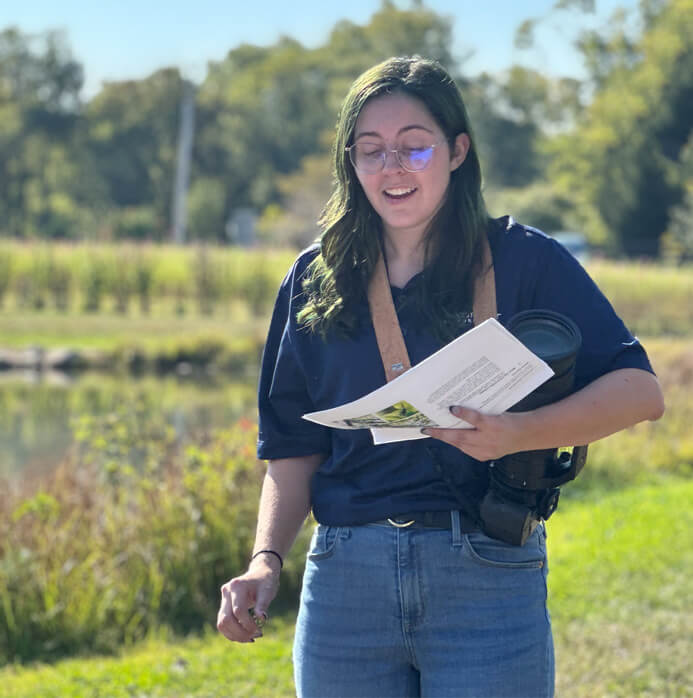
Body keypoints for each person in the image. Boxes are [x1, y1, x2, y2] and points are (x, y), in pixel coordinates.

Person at [217, 55, 665, 698]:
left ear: (458, 151)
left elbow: (641, 391)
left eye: (414, 148)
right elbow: (292, 447)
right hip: (345, 583)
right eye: (370, 151)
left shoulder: (526, 259)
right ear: (351, 163)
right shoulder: (313, 280)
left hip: (488, 573)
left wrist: (521, 432)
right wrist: (265, 562)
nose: (391, 168)